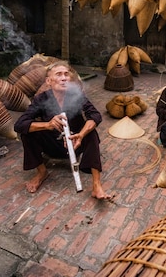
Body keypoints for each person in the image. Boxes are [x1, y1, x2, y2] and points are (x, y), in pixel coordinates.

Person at [14, 61, 111, 199]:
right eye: (59, 74)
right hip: (52, 145)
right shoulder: (41, 99)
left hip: (75, 143)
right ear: (49, 81)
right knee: (27, 132)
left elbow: (95, 115)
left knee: (92, 133)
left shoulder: (77, 95)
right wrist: (47, 125)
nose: (64, 78)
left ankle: (96, 185)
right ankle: (42, 172)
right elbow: (19, 124)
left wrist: (81, 135)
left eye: (66, 74)